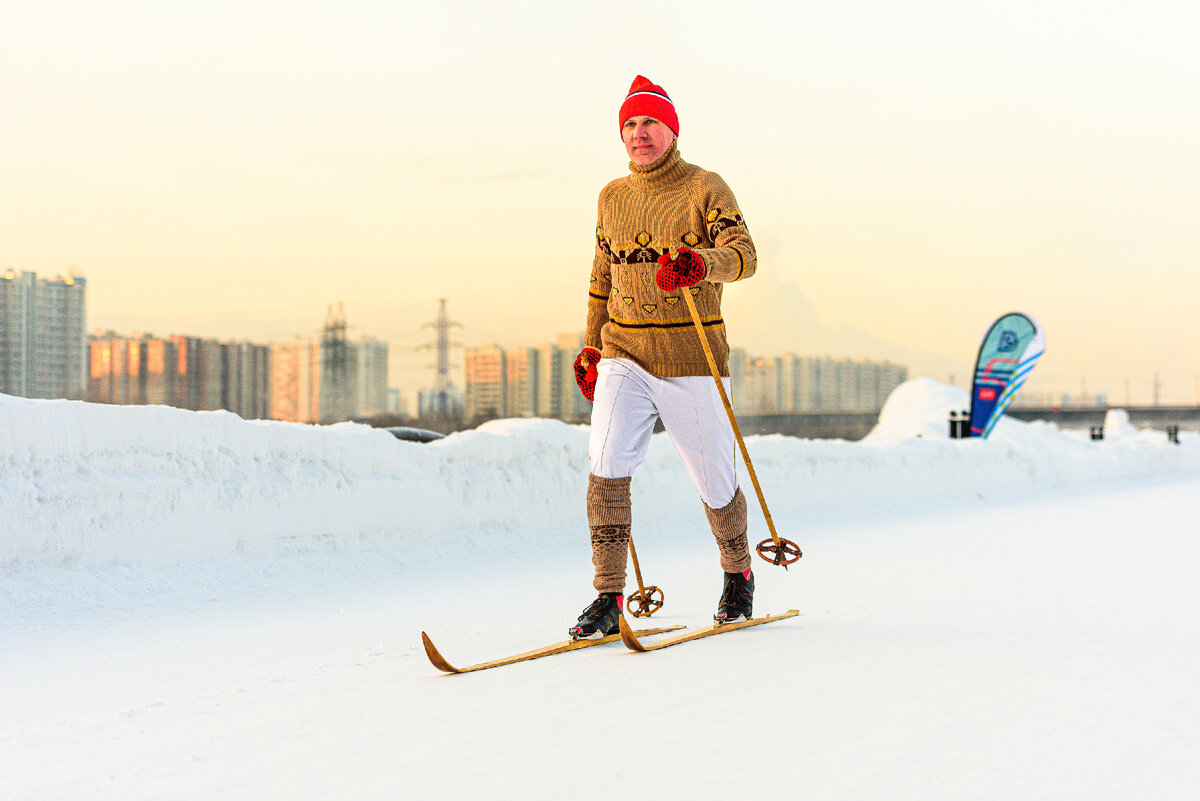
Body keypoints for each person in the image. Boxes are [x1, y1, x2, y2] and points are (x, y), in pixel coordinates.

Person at [569, 75, 758, 640]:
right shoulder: (611, 197)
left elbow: (743, 256)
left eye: (649, 122)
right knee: (605, 463)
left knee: (713, 478)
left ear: (671, 129)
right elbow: (602, 279)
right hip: (623, 351)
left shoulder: (705, 187)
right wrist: (590, 346)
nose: (638, 134)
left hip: (689, 354)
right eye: (628, 124)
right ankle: (608, 595)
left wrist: (701, 263)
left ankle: (738, 574)